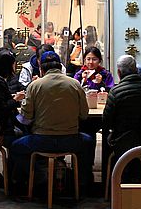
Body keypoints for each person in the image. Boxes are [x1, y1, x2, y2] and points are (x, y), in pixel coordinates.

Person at [10, 52, 94, 193]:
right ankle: (82, 182)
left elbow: (26, 118)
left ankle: (32, 180)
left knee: (15, 147)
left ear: (41, 69)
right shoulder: (74, 84)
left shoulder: (35, 85)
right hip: (71, 140)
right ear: (60, 67)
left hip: (41, 140)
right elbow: (84, 115)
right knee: (89, 142)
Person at [101, 54, 141, 183]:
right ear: (136, 69)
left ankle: (112, 183)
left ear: (119, 72)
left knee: (108, 141)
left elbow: (107, 121)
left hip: (122, 141)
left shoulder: (115, 91)